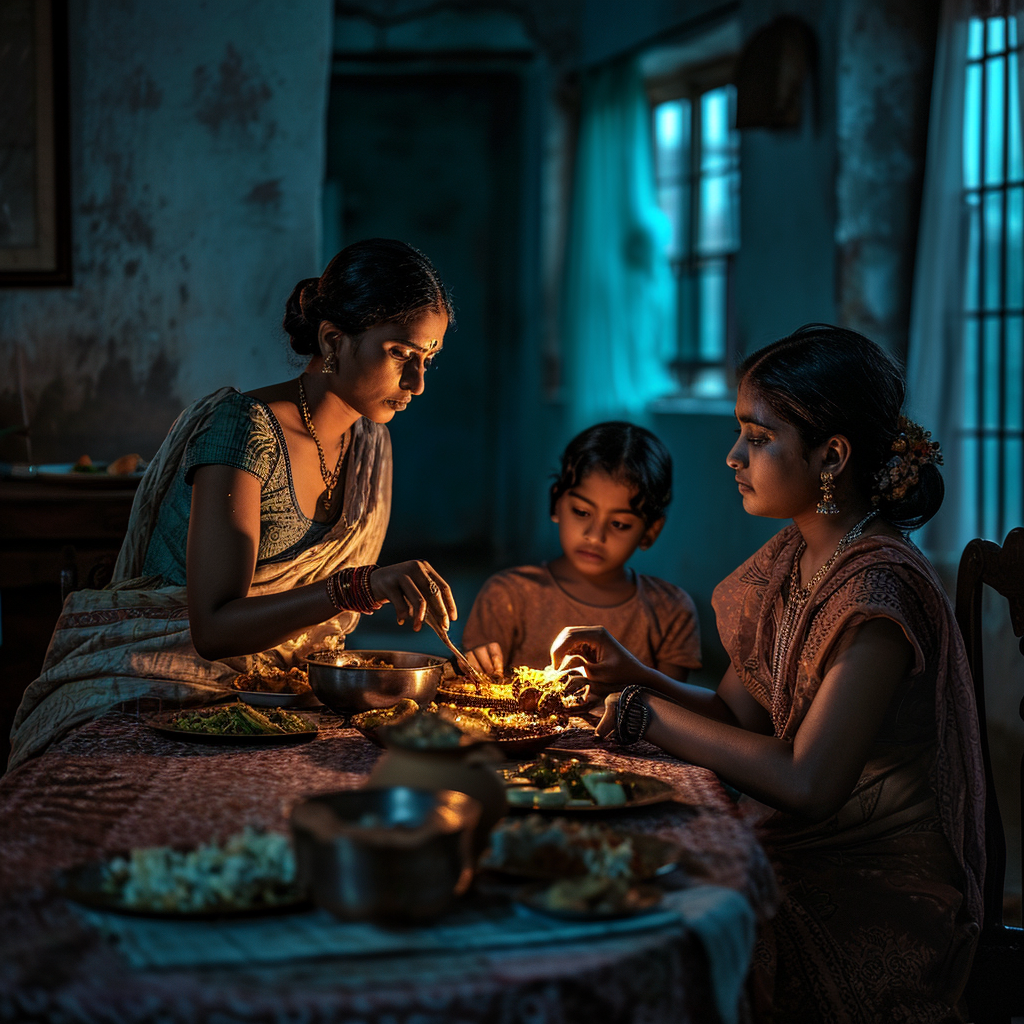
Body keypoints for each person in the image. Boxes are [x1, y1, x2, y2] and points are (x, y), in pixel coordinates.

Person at [550, 325, 985, 1024]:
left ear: (831, 456)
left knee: (648, 915)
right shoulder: (793, 560)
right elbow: (736, 720)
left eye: (756, 437)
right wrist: (635, 675)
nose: (732, 457)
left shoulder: (878, 591)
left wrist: (648, 714)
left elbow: (808, 783)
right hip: (796, 850)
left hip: (865, 893)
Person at [8, 238, 459, 770]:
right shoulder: (243, 429)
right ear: (334, 340)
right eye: (401, 354)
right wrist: (358, 585)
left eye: (429, 357)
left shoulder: (367, 445)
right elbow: (214, 630)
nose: (418, 383)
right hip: (153, 677)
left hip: (281, 694)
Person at [462, 421, 701, 681]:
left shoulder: (670, 611)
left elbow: (672, 711)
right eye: (582, 512)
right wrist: (475, 667)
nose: (595, 536)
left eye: (619, 524)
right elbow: (476, 692)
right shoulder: (508, 596)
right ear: (556, 503)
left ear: (650, 531)